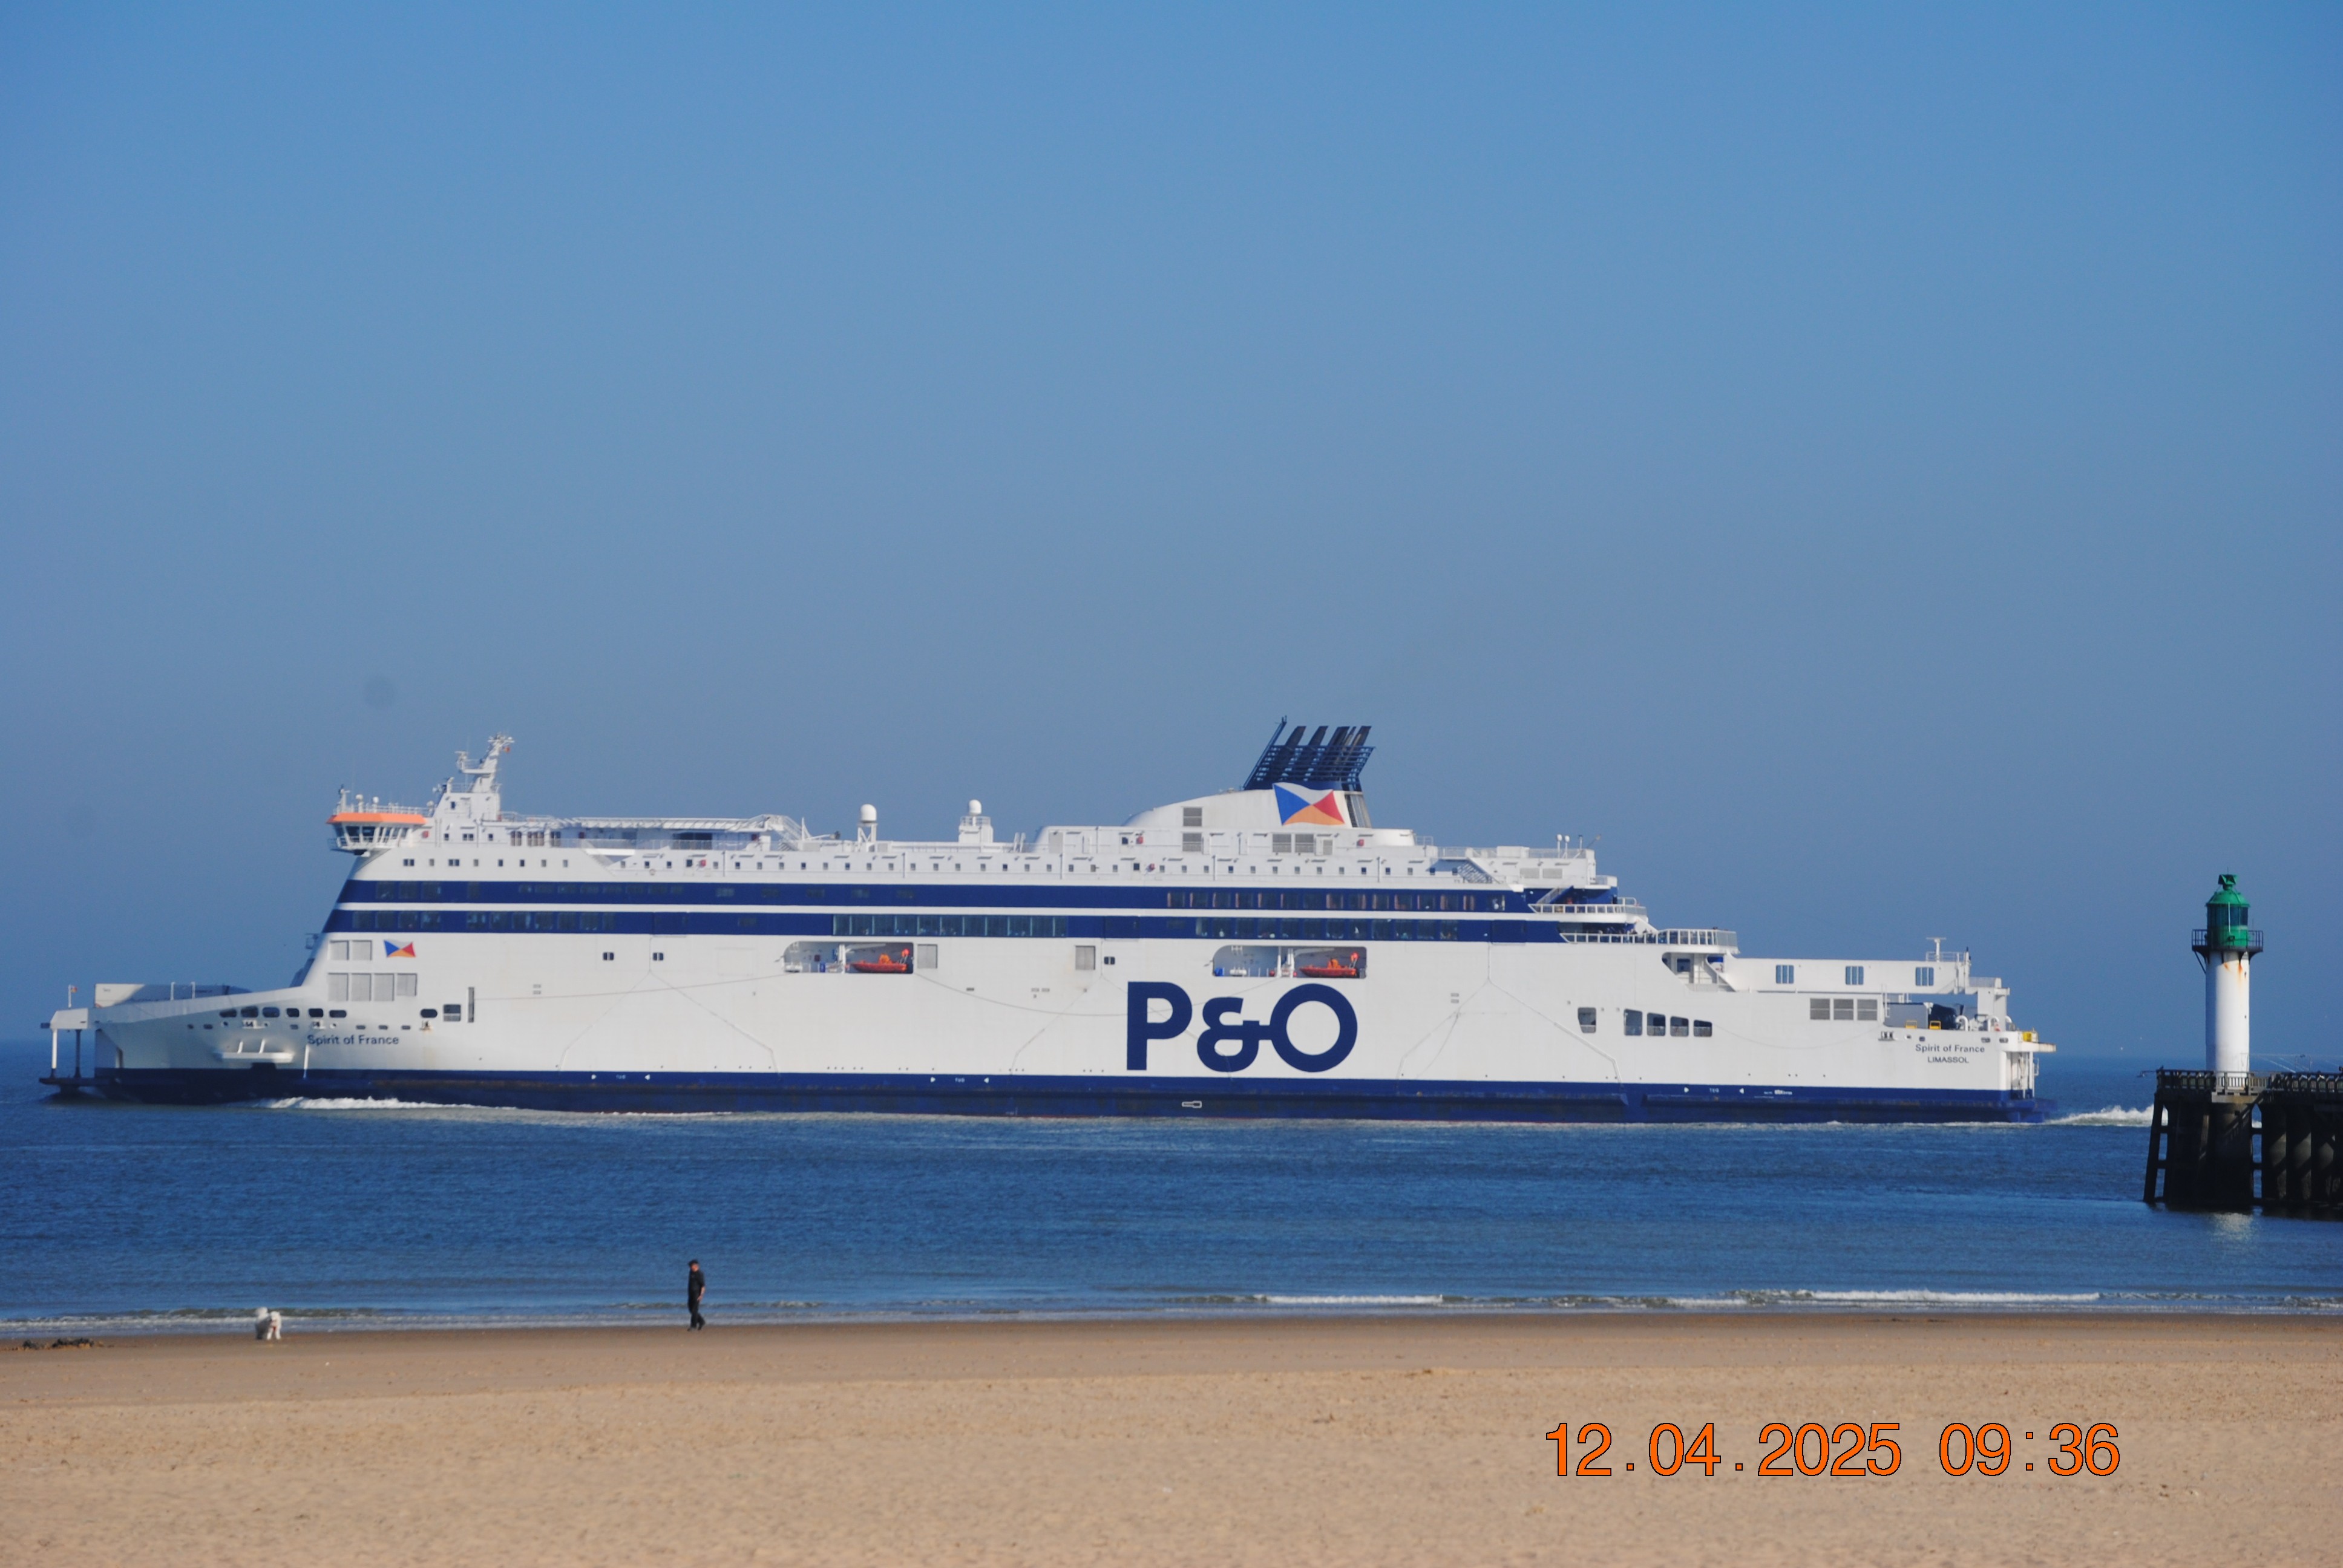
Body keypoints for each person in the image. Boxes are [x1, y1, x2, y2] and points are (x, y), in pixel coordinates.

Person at [687, 1260, 707, 1330]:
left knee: (695, 1310)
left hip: (697, 1294)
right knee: (691, 1309)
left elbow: (703, 1286)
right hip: (691, 1294)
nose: (690, 1268)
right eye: (690, 1266)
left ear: (696, 1266)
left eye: (691, 1266)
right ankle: (701, 1321)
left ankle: (693, 1326)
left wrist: (701, 1295)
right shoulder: (691, 1273)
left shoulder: (700, 1274)